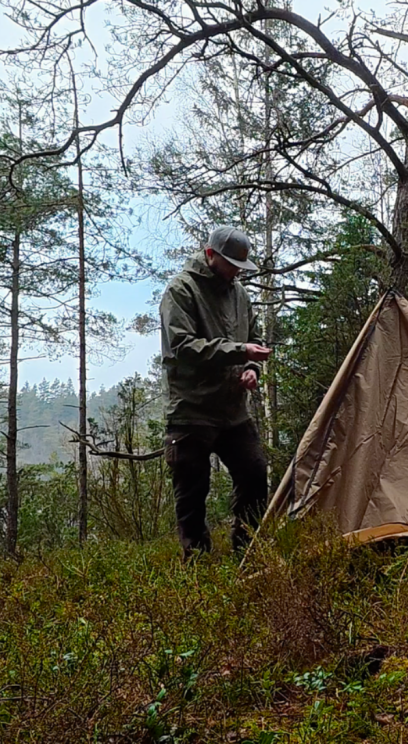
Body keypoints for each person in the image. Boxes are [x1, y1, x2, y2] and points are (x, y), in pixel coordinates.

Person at [159, 226, 273, 558]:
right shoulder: (180, 291)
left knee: (254, 475)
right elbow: (182, 347)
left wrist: (252, 369)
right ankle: (197, 566)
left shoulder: (240, 294)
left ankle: (247, 552)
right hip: (190, 411)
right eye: (231, 264)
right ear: (210, 256)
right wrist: (241, 352)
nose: (237, 272)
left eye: (240, 266)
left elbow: (254, 338)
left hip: (233, 411)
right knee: (192, 495)